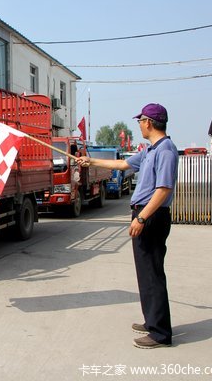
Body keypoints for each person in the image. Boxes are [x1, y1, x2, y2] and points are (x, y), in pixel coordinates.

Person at [76, 103, 179, 349]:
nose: (139, 124)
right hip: (145, 214)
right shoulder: (150, 150)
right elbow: (123, 165)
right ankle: (152, 321)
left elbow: (163, 190)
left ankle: (160, 334)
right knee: (146, 273)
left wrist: (142, 218)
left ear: (149, 123)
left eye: (140, 121)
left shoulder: (165, 150)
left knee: (152, 273)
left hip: (152, 216)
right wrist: (91, 161)